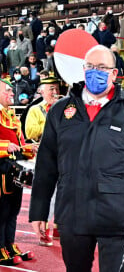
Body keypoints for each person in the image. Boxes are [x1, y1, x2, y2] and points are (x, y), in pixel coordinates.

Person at [29, 44, 124, 272]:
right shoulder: (60, 111)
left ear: (114, 73)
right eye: (89, 66)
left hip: (118, 216)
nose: (94, 72)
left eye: (101, 67)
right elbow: (46, 165)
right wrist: (39, 210)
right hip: (72, 214)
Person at [0, 78, 37, 266]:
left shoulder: (11, 115)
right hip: (1, 169)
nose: (12, 94)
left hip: (13, 169)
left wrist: (30, 148)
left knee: (13, 210)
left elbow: (20, 144)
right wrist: (7, 146)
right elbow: (9, 145)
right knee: (2, 211)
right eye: (8, 91)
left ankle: (10, 245)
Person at [25, 77, 61, 246]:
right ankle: (44, 228)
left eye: (56, 89)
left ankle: (59, 226)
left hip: (63, 154)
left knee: (65, 191)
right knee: (47, 193)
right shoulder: (35, 110)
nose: (54, 92)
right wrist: (52, 123)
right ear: (41, 91)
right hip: (45, 155)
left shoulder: (64, 109)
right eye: (51, 89)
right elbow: (30, 132)